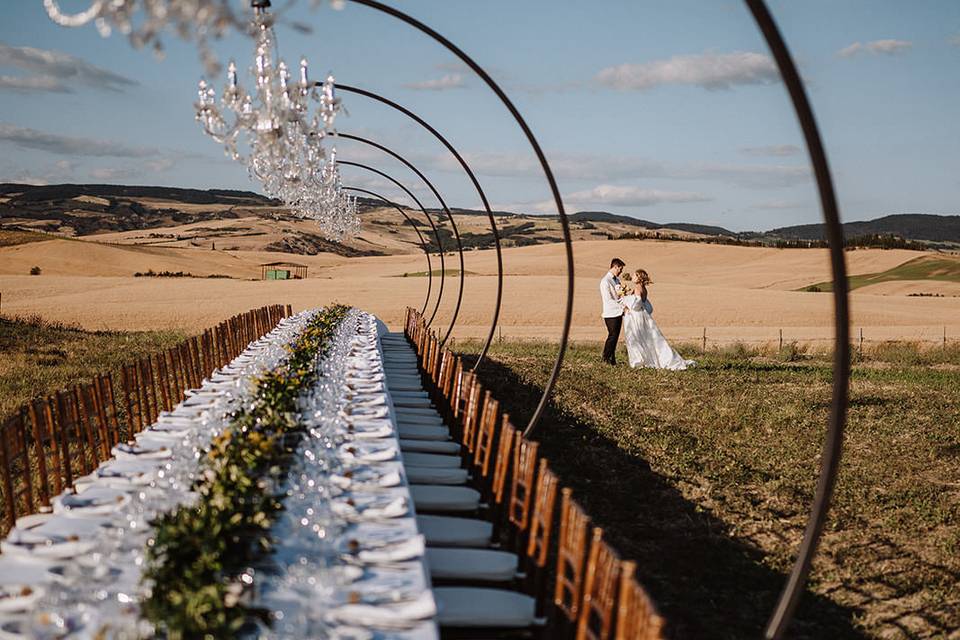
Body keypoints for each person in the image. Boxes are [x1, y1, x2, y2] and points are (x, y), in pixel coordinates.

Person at [622, 269, 695, 370]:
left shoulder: (638, 288)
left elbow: (637, 305)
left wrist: (625, 300)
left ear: (639, 278)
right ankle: (645, 359)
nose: (632, 277)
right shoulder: (643, 288)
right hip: (642, 316)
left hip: (637, 316)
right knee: (647, 339)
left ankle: (640, 361)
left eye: (634, 275)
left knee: (637, 338)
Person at [600, 258, 626, 365]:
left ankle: (612, 360)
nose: (621, 271)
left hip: (618, 313)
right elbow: (608, 299)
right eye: (620, 269)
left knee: (615, 337)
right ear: (615, 267)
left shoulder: (617, 280)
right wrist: (622, 307)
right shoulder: (605, 281)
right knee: (612, 336)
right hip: (610, 313)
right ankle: (605, 358)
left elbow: (619, 296)